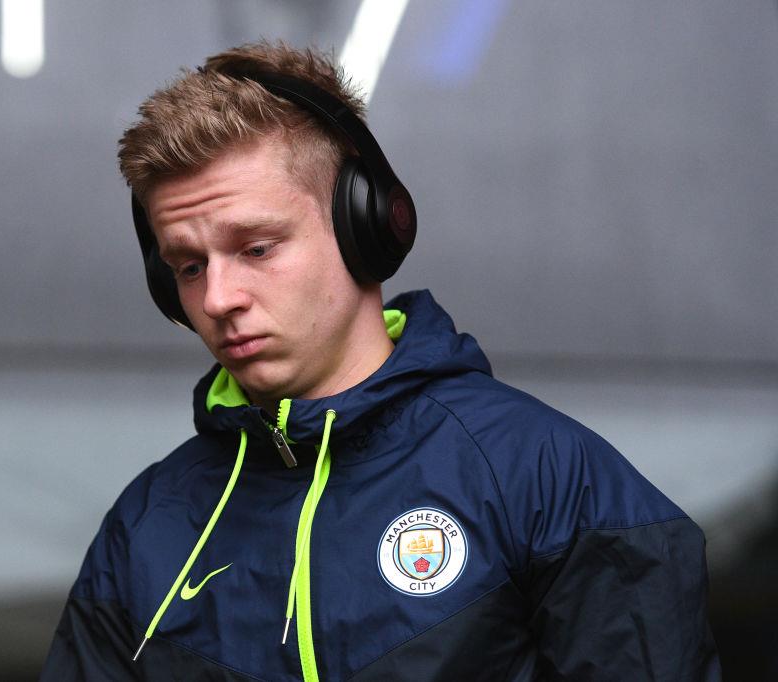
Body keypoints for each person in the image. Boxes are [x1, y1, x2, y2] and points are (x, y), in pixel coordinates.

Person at [41, 41, 719, 681]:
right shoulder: (145, 527)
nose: (218, 299)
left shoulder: (543, 476)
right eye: (189, 266)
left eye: (256, 249)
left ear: (362, 226)